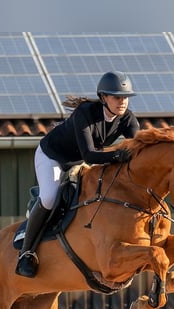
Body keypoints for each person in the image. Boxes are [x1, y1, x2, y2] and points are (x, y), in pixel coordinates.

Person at [16, 70, 140, 278]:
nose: (122, 102)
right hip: (53, 156)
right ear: (103, 98)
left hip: (78, 161)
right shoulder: (85, 113)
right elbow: (90, 155)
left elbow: (138, 149)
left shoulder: (128, 120)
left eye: (125, 97)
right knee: (49, 198)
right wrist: (119, 155)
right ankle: (26, 252)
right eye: (117, 97)